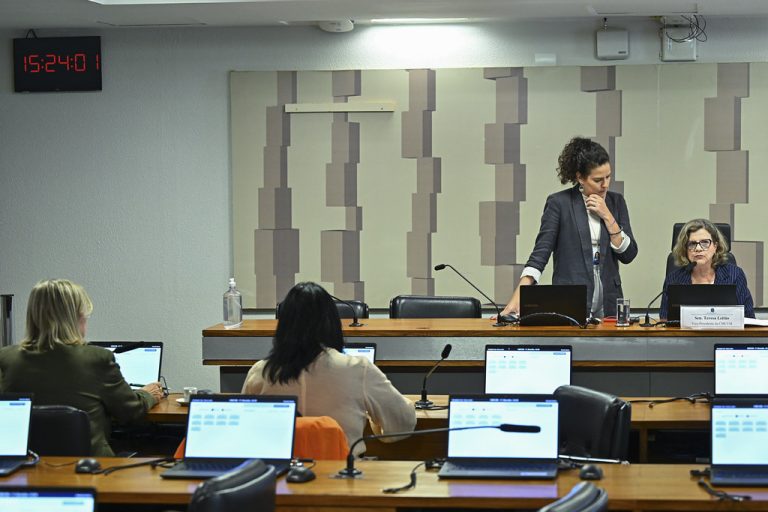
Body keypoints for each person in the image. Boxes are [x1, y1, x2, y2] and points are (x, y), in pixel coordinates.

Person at [242, 282, 415, 455]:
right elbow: (402, 424)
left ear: (283, 325)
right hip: (343, 469)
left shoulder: (261, 372)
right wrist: (373, 421)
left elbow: (243, 432)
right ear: (332, 322)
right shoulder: (357, 368)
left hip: (282, 470)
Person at [0, 279, 163, 456]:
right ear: (77, 317)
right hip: (88, 465)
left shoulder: (6, 358)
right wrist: (148, 394)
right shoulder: (97, 358)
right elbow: (130, 412)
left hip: (27, 465)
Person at [500, 137, 638, 319]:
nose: (605, 184)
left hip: (609, 299)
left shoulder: (616, 202)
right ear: (580, 177)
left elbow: (629, 255)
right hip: (571, 297)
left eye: (608, 176)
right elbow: (540, 253)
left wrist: (607, 215)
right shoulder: (559, 203)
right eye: (598, 180)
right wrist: (518, 296)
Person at [659, 219, 754, 319]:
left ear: (715, 246)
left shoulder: (734, 275)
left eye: (705, 242)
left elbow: (748, 318)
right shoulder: (674, 279)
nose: (698, 248)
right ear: (685, 249)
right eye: (692, 244)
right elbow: (664, 320)